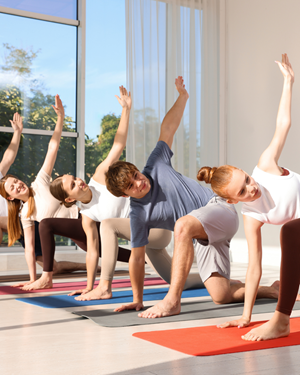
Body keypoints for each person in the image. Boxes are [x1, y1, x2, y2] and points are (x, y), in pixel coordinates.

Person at [104, 76, 279, 315]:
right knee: (221, 294)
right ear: (125, 195)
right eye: (131, 185)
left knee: (182, 225)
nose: (139, 181)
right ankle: (271, 290)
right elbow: (137, 258)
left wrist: (182, 97)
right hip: (201, 236)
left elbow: (167, 129)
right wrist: (137, 299)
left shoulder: (155, 165)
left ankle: (172, 301)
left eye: (135, 174)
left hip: (220, 209)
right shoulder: (138, 214)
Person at [19, 86, 171, 296]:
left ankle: (105, 288)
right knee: (186, 281)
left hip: (157, 227)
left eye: (75, 178)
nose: (79, 182)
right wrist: (87, 286)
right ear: (70, 200)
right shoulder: (87, 216)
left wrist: (126, 110)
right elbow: (92, 252)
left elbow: (118, 145)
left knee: (108, 226)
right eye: (73, 185)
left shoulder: (100, 177)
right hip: (146, 240)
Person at [198, 54, 300, 341]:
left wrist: (288, 82)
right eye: (242, 192)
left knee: (291, 231)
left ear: (247, 171)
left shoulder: (266, 165)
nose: (251, 188)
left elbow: (283, 124)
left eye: (247, 180)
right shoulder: (252, 218)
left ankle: (280, 321)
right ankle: (280, 321)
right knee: (293, 234)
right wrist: (246, 316)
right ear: (232, 201)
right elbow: (254, 269)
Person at [0, 96, 97, 287]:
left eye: (17, 181)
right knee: (54, 262)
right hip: (74, 233)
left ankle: (50, 276)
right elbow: (28, 247)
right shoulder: (24, 214)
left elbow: (51, 148)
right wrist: (31, 279)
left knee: (45, 226)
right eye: (13, 187)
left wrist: (60, 118)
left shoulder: (39, 183)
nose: (18, 184)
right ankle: (90, 267)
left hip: (86, 219)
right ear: (10, 196)